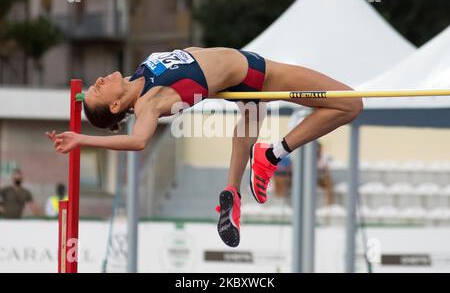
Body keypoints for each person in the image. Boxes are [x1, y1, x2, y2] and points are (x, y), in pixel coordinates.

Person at [46, 47, 363, 247]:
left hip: (241, 81)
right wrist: (82, 139)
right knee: (350, 104)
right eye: (97, 91)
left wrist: (93, 113)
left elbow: (115, 110)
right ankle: (271, 154)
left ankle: (233, 192)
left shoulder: (138, 78)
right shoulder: (148, 102)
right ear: (115, 104)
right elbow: (139, 140)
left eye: (94, 85)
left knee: (254, 114)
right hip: (261, 74)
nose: (98, 81)